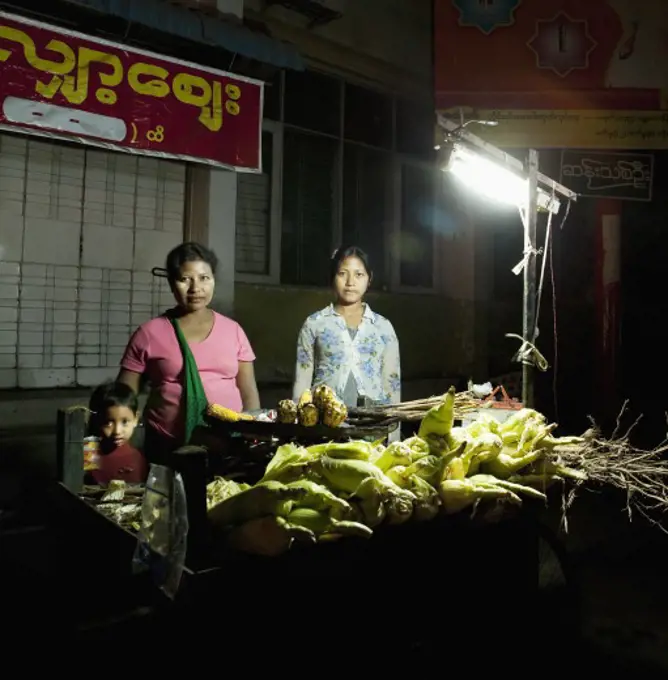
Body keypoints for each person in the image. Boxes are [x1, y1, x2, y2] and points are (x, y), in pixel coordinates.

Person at [117, 242, 260, 458]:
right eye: (185, 279)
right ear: (172, 284)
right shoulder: (149, 333)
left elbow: (249, 392)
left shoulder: (234, 331)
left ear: (214, 280)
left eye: (204, 278)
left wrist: (253, 431)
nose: (196, 288)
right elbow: (124, 395)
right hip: (167, 445)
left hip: (229, 443)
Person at [293, 245, 401, 413]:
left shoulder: (383, 327)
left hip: (373, 424)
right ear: (332, 277)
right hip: (323, 424)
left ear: (369, 278)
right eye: (343, 274)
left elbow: (392, 385)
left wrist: (393, 434)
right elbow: (302, 381)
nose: (350, 282)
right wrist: (299, 426)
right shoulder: (314, 324)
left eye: (359, 274)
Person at [87, 381, 147, 485]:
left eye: (124, 422)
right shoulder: (89, 453)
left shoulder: (138, 458)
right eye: (108, 423)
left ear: (135, 419)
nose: (117, 431)